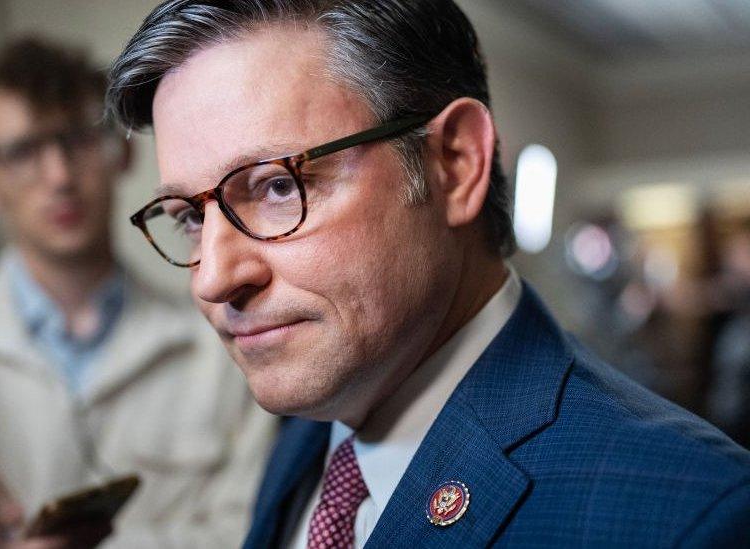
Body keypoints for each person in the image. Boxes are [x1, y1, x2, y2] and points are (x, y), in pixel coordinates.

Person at [106, 1, 750, 547]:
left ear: (456, 162)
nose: (212, 279)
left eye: (277, 187)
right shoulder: (307, 434)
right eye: (188, 217)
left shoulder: (692, 517)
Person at [0, 37, 276, 548]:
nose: (59, 176)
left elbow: (256, 530)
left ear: (122, 151)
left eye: (80, 140)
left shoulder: (228, 340)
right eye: (22, 152)